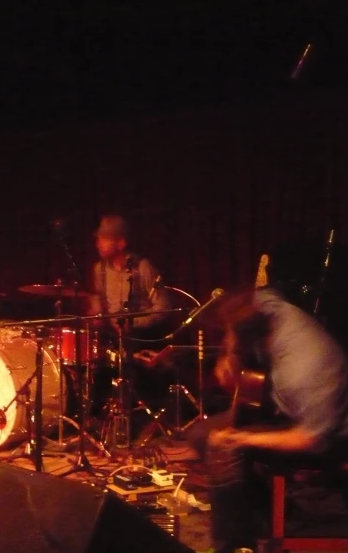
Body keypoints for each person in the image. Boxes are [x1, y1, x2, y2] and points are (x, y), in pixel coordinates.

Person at [186, 285, 348, 553]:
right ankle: (257, 512)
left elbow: (312, 438)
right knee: (201, 434)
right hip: (285, 409)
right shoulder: (267, 306)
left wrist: (243, 437)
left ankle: (235, 544)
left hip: (330, 436)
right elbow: (258, 295)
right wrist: (229, 354)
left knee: (224, 448)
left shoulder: (303, 370)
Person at [87, 214, 172, 337]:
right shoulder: (99, 269)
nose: (98, 244)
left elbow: (164, 308)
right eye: (98, 239)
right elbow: (97, 300)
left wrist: (134, 323)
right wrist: (96, 315)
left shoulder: (143, 267)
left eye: (104, 239)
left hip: (142, 338)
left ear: (121, 243)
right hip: (112, 338)